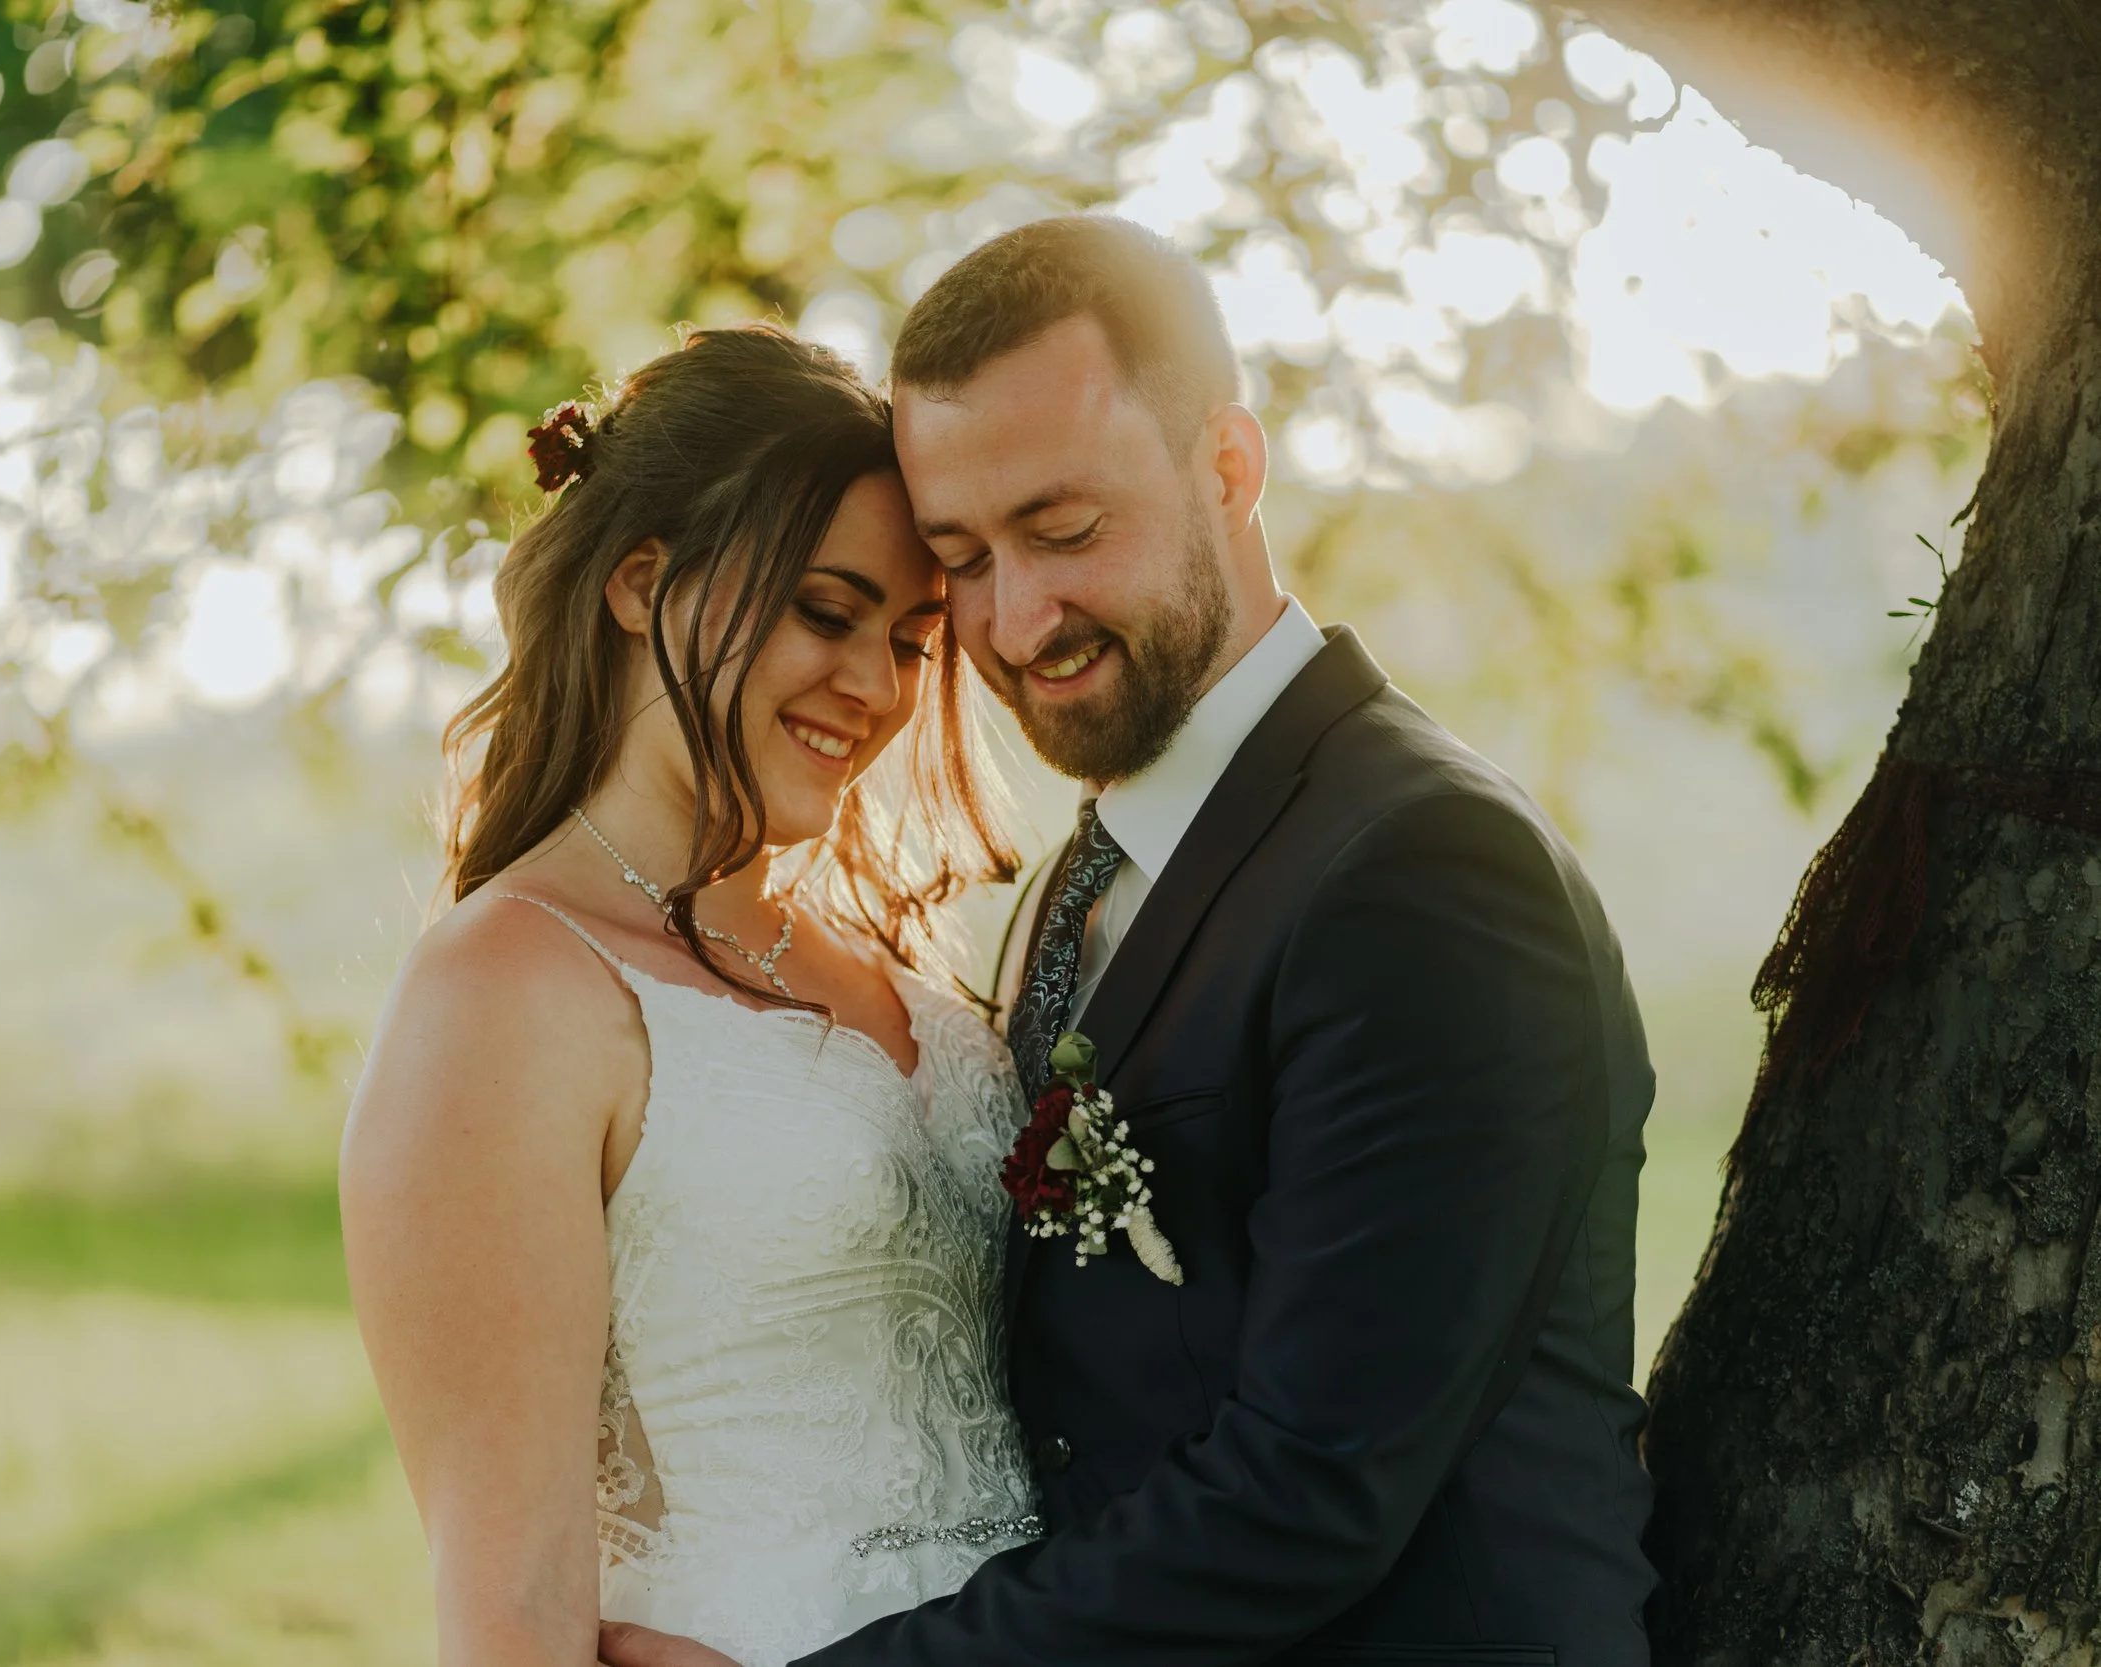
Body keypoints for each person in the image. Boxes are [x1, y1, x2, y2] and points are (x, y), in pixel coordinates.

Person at [599, 217, 1658, 1667]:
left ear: (1229, 467)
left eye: (1066, 529)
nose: (1017, 619)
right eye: (961, 560)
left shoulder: (1419, 867)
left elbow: (1312, 1488)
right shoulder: (1075, 882)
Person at [339, 324, 1044, 1667]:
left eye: (910, 640)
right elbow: (515, 1606)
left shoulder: (892, 964)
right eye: (825, 613)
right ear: (639, 581)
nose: (878, 687)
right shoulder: (509, 988)